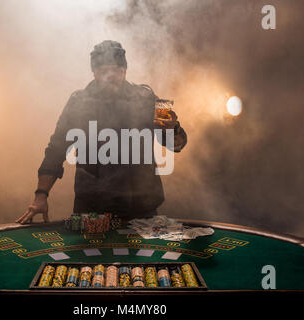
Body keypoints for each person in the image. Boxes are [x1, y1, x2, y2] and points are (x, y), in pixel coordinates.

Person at [16, 40, 187, 224]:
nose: (110, 76)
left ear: (124, 71)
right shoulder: (78, 102)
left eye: (116, 70)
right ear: (94, 73)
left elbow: (177, 144)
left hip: (142, 210)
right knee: (91, 254)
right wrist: (40, 196)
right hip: (92, 211)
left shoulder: (147, 98)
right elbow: (55, 151)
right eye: (104, 71)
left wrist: (173, 128)